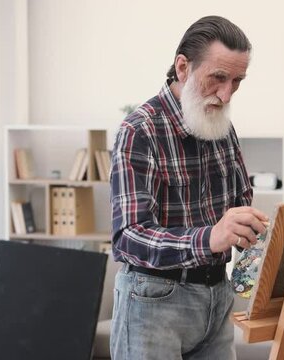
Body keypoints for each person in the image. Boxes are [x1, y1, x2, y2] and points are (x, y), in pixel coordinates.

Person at [109, 15, 268, 360]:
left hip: (216, 295)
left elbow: (241, 205)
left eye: (237, 81)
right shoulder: (140, 131)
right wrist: (210, 237)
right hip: (153, 301)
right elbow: (128, 237)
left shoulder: (221, 126)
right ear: (183, 67)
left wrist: (256, 241)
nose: (226, 95)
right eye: (218, 78)